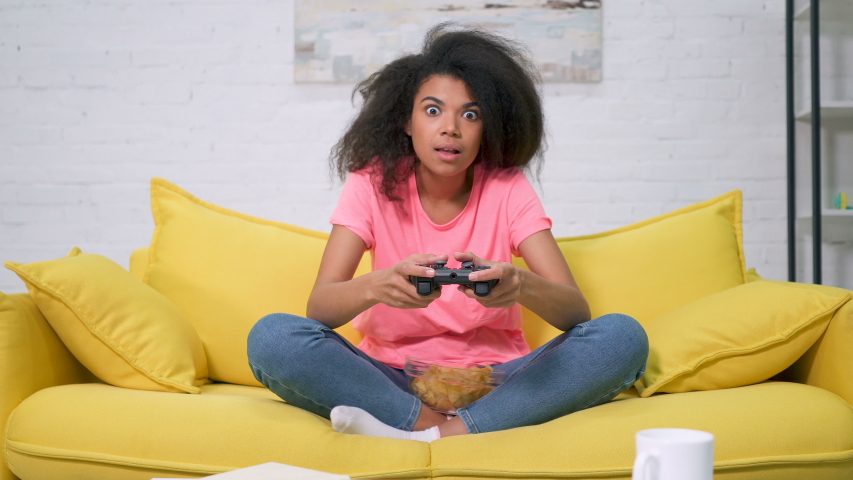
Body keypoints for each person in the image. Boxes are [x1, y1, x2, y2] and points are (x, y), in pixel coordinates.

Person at [247, 24, 648, 443]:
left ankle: (437, 433)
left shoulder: (507, 187)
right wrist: (377, 286)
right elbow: (320, 310)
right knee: (273, 336)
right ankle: (432, 427)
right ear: (406, 120)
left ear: (487, 126)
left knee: (623, 337)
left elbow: (575, 315)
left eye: (470, 114)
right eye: (433, 110)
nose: (451, 128)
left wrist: (519, 284)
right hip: (390, 381)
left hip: (499, 384)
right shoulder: (369, 184)